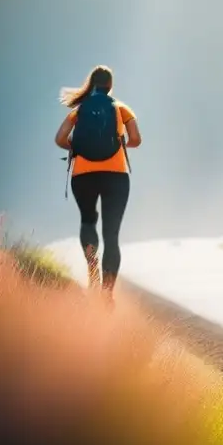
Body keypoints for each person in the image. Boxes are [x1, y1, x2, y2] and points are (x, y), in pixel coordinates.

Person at [54, 64, 141, 305]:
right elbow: (136, 139)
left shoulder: (79, 110)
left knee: (88, 221)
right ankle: (107, 292)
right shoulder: (121, 108)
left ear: (91, 85)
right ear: (110, 85)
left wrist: (77, 148)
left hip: (83, 174)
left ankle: (92, 271)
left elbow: (60, 138)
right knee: (111, 235)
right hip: (116, 175)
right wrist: (120, 143)